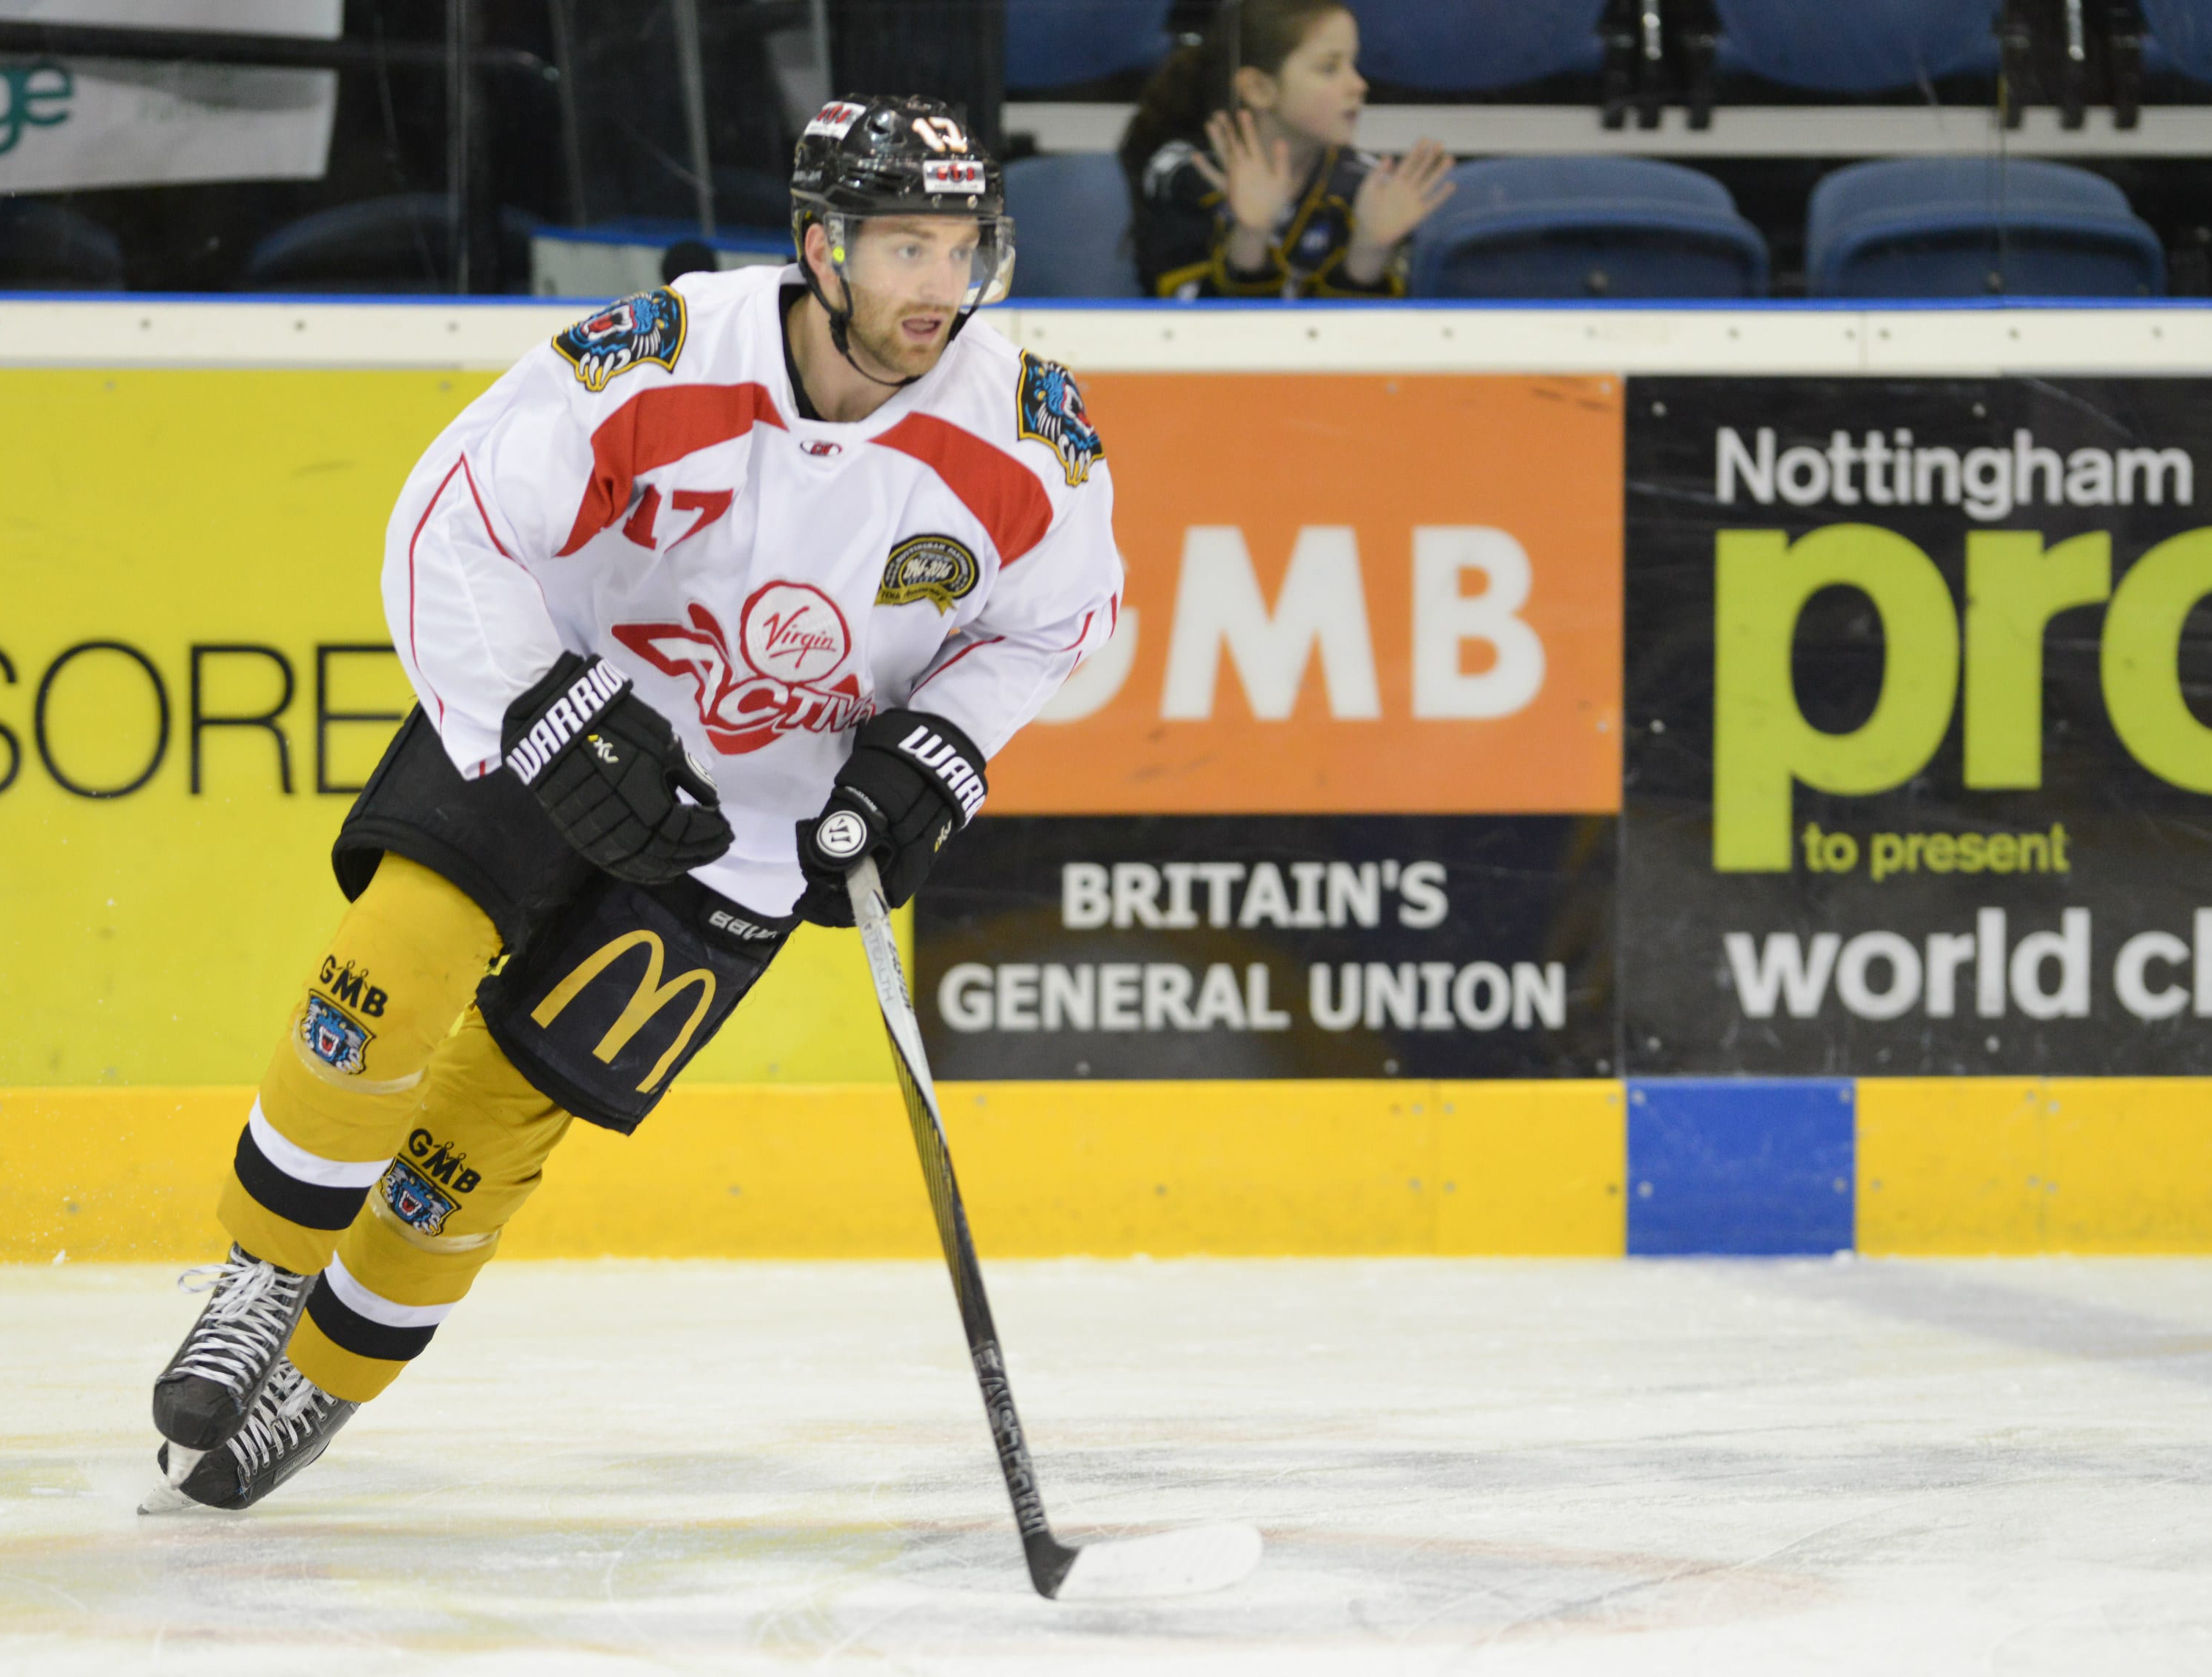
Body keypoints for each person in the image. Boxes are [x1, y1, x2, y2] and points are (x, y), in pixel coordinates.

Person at [139, 94, 1124, 1513]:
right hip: (567, 714)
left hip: (756, 828)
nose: (939, 284)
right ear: (821, 249)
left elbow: (1056, 620)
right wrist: (537, 710)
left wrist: (940, 752)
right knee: (396, 964)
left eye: (961, 247)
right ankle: (261, 1273)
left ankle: (325, 1377)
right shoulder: (666, 354)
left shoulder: (1027, 433)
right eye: (904, 246)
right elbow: (452, 513)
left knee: (495, 1121)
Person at [1124, 0, 1456, 300]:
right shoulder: (1187, 175)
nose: (1359, 84)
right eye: (1329, 68)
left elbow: (1358, 343)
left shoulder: (1369, 187)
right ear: (1259, 88)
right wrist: (1251, 238)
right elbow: (1182, 333)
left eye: (1354, 64)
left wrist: (1368, 254)